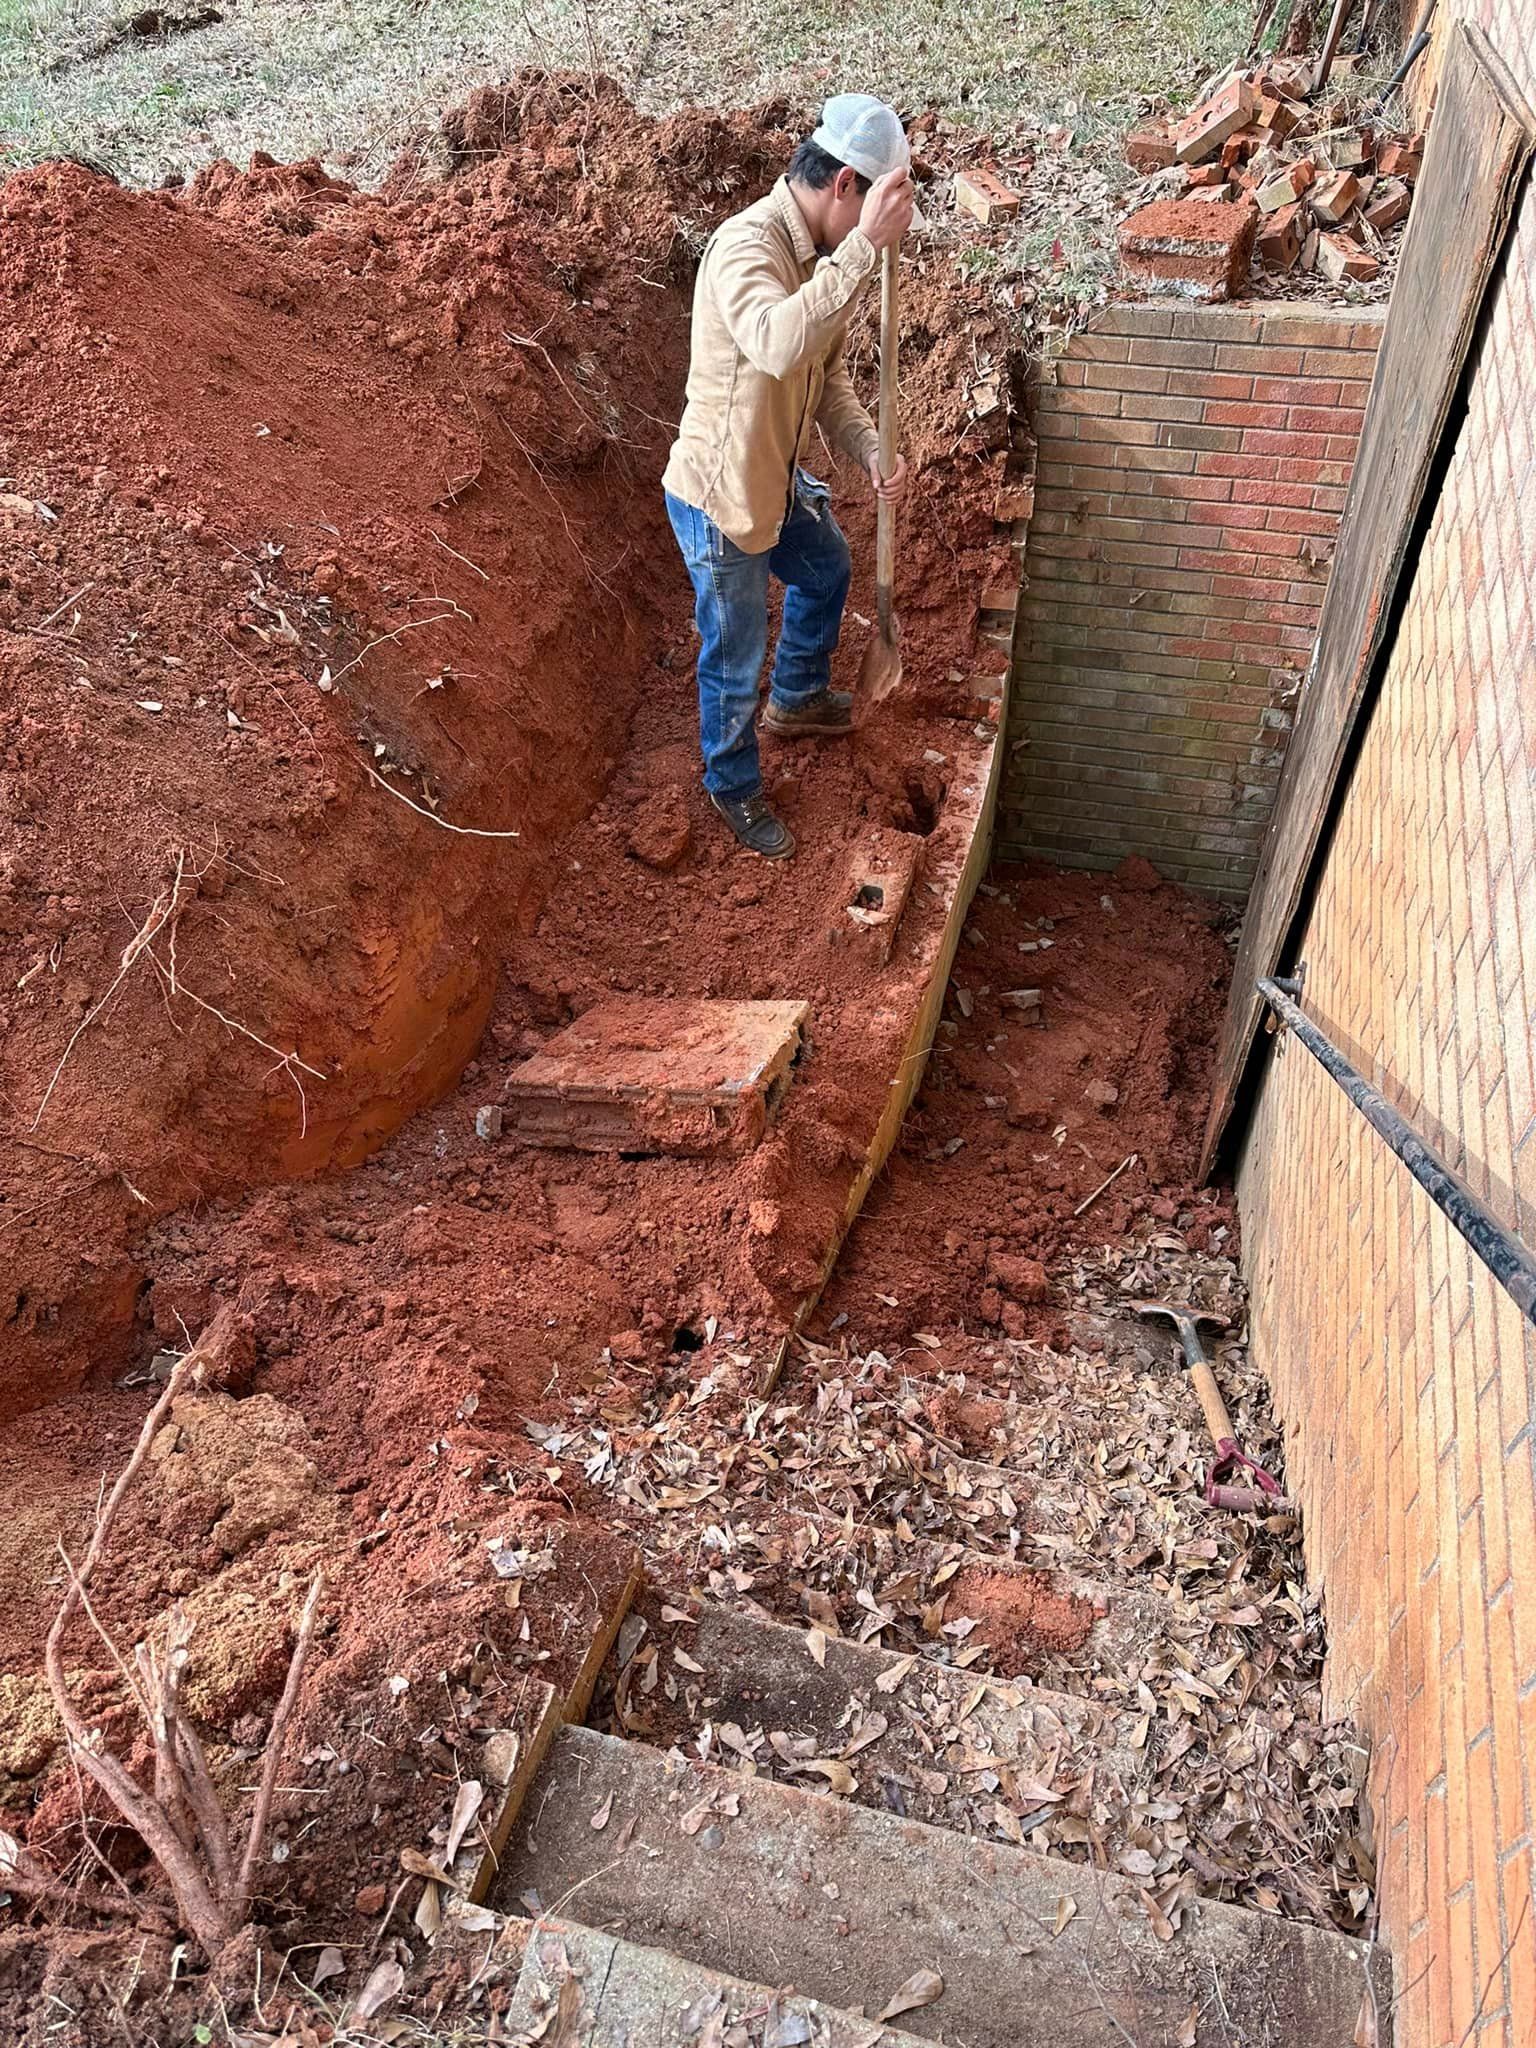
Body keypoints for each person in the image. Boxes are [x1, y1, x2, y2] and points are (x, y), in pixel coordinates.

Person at [662, 94, 915, 859]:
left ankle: (799, 697)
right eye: (869, 209)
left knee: (826, 566)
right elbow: (777, 342)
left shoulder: (820, 257)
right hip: (720, 495)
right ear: (844, 186)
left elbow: (826, 376)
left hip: (774, 479)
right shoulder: (746, 247)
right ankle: (731, 785)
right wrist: (863, 254)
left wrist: (869, 448)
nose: (867, 232)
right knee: (734, 656)